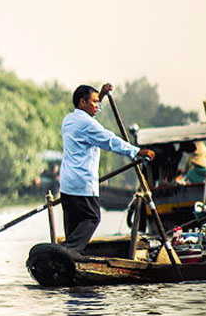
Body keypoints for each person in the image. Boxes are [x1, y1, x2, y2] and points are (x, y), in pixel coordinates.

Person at [60, 84, 154, 254]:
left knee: (74, 230)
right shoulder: (87, 124)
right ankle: (68, 252)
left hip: (67, 185)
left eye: (98, 102)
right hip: (83, 183)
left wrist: (101, 95)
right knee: (92, 217)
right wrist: (137, 151)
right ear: (82, 102)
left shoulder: (69, 120)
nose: (98, 105)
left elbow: (90, 116)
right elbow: (110, 141)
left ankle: (69, 256)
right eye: (94, 102)